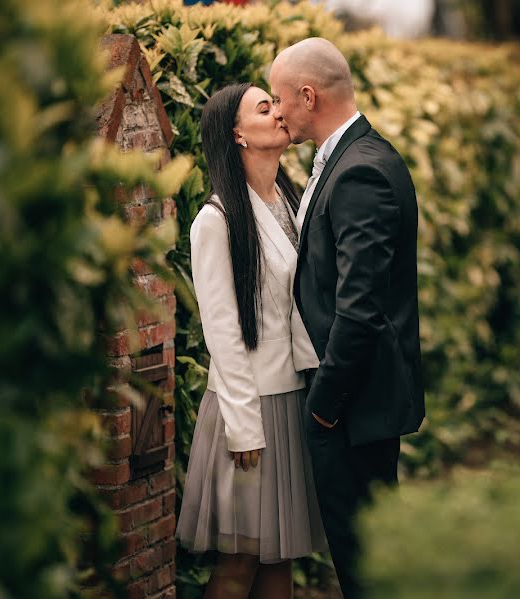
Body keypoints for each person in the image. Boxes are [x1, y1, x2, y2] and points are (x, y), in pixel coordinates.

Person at [269, 38, 426, 599]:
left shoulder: (360, 172)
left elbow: (360, 308)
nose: (277, 110)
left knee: (364, 562)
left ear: (307, 96)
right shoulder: (353, 157)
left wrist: (325, 408)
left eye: (280, 98)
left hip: (354, 406)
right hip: (354, 401)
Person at [175, 83, 326, 599]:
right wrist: (243, 426)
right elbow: (221, 331)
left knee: (279, 558)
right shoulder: (215, 221)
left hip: (291, 401)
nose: (280, 113)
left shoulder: (291, 199)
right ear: (237, 134)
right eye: (265, 108)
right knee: (239, 563)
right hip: (247, 411)